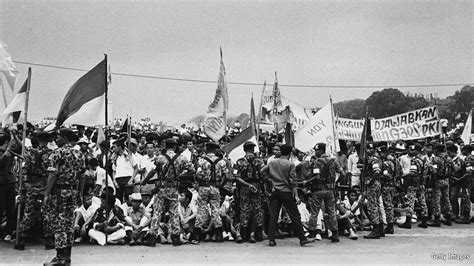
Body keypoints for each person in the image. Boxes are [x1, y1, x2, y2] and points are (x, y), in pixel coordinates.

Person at [44, 128, 86, 265]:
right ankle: (67, 256)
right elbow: (82, 176)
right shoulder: (79, 154)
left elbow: (52, 175)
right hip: (73, 191)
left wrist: (46, 194)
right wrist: (80, 192)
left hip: (60, 191)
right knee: (69, 223)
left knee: (59, 223)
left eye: (59, 136)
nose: (57, 139)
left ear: (65, 138)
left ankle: (60, 257)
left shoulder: (57, 153)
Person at [260, 144, 315, 247]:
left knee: (274, 216)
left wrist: (270, 180)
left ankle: (271, 239)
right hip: (286, 192)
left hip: (275, 192)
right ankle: (302, 239)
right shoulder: (290, 164)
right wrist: (296, 196)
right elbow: (293, 182)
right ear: (290, 153)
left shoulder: (272, 162)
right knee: (295, 216)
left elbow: (262, 171)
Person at [141, 138, 191, 246]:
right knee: (174, 213)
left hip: (162, 188)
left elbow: (152, 171)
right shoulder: (181, 158)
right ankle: (176, 237)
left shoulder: (160, 158)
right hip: (173, 188)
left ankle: (152, 237)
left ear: (166, 146)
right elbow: (191, 170)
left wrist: (144, 181)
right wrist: (179, 175)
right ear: (174, 146)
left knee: (157, 212)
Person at [15, 131, 54, 250]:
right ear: (48, 141)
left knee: (28, 213)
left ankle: (21, 240)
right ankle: (48, 241)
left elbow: (24, 171)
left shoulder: (30, 153)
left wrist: (24, 185)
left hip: (32, 186)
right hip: (45, 187)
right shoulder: (51, 154)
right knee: (46, 214)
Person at [304, 143, 346, 243]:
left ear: (321, 150)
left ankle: (312, 232)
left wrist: (307, 182)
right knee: (332, 212)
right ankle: (335, 234)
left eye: (317, 150)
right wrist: (334, 182)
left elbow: (316, 176)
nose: (315, 152)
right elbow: (343, 174)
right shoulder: (333, 160)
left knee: (315, 212)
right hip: (330, 190)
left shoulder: (317, 161)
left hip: (318, 190)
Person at [194, 142, 229, 243]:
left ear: (206, 149)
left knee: (201, 209)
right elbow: (226, 176)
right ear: (215, 150)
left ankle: (196, 234)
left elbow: (198, 175)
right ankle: (219, 234)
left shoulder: (201, 161)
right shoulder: (221, 161)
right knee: (215, 209)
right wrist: (220, 184)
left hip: (204, 187)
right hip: (215, 187)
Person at [233, 141, 265, 243]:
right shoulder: (259, 161)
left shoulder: (239, 162)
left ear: (244, 149)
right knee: (257, 210)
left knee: (244, 209)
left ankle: (244, 234)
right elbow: (264, 175)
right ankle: (257, 234)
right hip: (257, 186)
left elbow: (236, 177)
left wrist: (247, 185)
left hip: (244, 187)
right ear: (253, 149)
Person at [399, 144, 429, 229]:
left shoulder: (415, 160)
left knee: (410, 202)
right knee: (423, 202)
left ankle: (408, 222)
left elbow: (413, 173)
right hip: (422, 184)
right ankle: (424, 221)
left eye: (413, 150)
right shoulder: (425, 159)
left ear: (417, 151)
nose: (411, 152)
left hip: (413, 184)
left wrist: (403, 176)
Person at [427, 144, 453, 226]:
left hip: (438, 180)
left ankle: (437, 219)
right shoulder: (449, 159)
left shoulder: (436, 159)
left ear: (437, 150)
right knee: (446, 199)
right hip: (446, 180)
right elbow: (453, 169)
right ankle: (448, 217)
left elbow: (434, 172)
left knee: (436, 200)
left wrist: (432, 183)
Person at [363, 142, 384, 239]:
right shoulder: (376, 158)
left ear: (375, 149)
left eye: (371, 148)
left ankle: (376, 230)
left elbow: (377, 172)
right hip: (377, 183)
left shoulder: (374, 159)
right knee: (377, 205)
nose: (369, 150)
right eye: (368, 148)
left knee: (372, 206)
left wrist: (370, 181)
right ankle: (380, 228)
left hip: (373, 184)